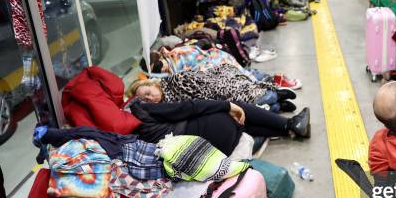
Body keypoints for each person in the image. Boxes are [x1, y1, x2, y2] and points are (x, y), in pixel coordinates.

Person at [128, 98, 310, 155]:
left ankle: (288, 130)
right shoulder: (141, 109)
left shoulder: (126, 138)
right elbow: (189, 107)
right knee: (235, 108)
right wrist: (227, 105)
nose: (149, 98)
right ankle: (289, 123)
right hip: (213, 132)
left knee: (240, 126)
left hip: (215, 151)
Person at [128, 66, 298, 113]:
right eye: (146, 100)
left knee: (248, 97)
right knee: (241, 110)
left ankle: (274, 95)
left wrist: (217, 102)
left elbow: (207, 83)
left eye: (148, 94)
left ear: (152, 85)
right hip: (213, 104)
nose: (150, 99)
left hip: (218, 85)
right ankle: (277, 105)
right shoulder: (164, 107)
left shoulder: (174, 81)